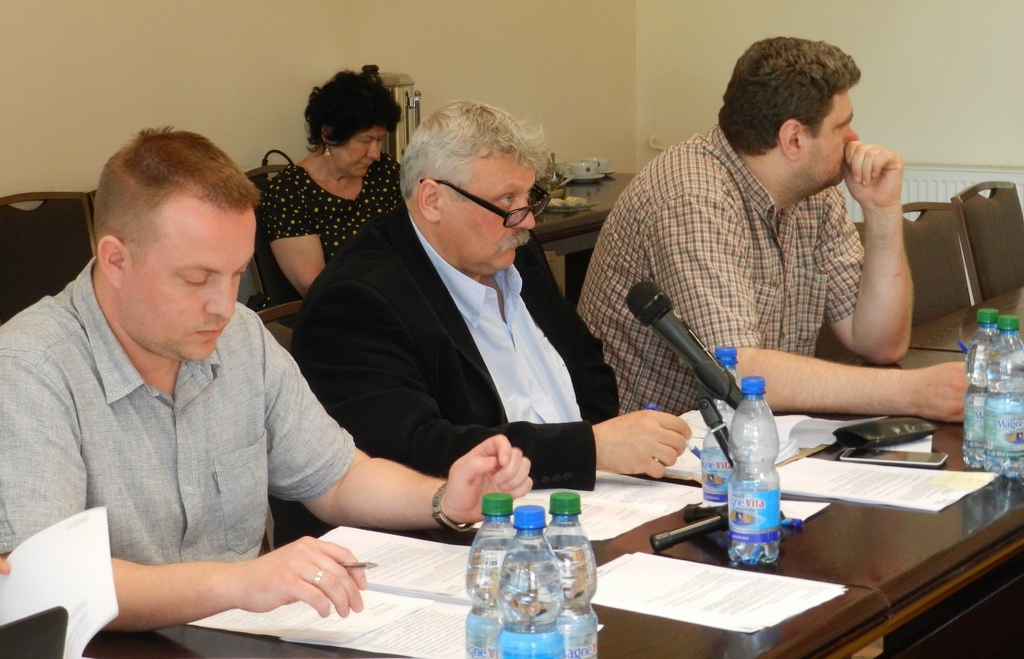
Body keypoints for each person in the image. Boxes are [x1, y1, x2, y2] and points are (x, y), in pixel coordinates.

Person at [0, 128, 531, 632]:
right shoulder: (29, 369)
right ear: (116, 260)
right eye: (196, 278)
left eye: (236, 274)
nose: (223, 305)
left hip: (235, 636)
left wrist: (442, 500)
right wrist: (239, 583)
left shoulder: (239, 337)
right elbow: (52, 583)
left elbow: (337, 478)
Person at [290, 100, 690, 508]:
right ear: (432, 200)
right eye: (506, 199)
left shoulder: (513, 249)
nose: (527, 220)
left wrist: (599, 457)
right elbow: (413, 450)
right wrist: (589, 448)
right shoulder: (356, 300)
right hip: (462, 523)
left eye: (529, 196)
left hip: (589, 500)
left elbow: (587, 364)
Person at [578, 37, 965, 421]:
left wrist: (882, 211)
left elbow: (880, 344)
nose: (854, 139)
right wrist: (913, 392)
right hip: (660, 446)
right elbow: (737, 374)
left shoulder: (814, 193)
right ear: (793, 138)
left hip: (756, 434)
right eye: (842, 126)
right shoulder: (692, 195)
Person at [261, 69, 403, 295]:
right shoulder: (289, 192)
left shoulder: (385, 173)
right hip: (342, 306)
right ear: (328, 134)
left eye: (379, 140)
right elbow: (313, 284)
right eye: (366, 140)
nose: (375, 153)